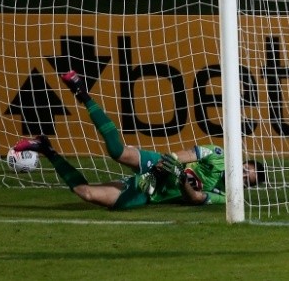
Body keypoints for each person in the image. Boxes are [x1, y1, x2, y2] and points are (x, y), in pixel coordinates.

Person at [14, 70, 266, 210]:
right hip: (159, 166)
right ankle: (82, 91)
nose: (243, 174)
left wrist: (180, 179)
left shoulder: (226, 196)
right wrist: (170, 161)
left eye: (247, 179)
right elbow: (189, 154)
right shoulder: (220, 155)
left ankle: (46, 149)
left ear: (246, 186)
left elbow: (195, 199)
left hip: (151, 191)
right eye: (246, 169)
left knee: (87, 193)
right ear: (244, 162)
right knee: (118, 151)